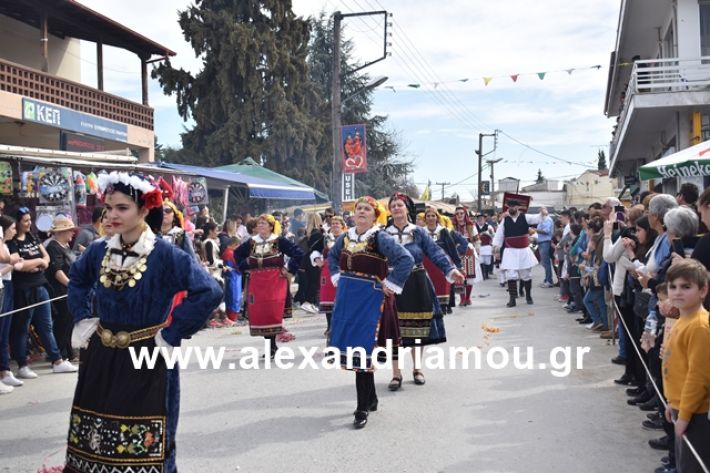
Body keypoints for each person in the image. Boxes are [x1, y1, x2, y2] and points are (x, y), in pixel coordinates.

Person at [65, 171, 222, 473]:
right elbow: (78, 279)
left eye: (122, 208)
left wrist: (172, 333)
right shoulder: (100, 250)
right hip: (101, 355)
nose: (112, 215)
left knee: (147, 439)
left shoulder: (165, 254)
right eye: (109, 207)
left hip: (147, 355)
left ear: (144, 210)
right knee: (96, 432)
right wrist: (83, 318)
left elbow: (209, 291)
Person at [327, 196, 414, 429]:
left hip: (369, 301)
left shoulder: (380, 238)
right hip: (347, 300)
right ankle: (371, 398)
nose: (362, 212)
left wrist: (392, 283)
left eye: (367, 209)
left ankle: (361, 407)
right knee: (358, 352)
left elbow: (406, 259)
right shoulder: (345, 237)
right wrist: (335, 275)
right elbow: (333, 257)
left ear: (376, 216)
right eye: (359, 209)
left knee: (362, 352)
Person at [386, 193, 464, 389]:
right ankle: (396, 374)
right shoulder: (383, 234)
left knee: (417, 328)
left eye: (400, 205)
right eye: (393, 205)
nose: (396, 208)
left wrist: (451, 270)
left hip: (417, 282)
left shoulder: (419, 232)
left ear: (407, 209)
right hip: (393, 284)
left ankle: (417, 369)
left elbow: (435, 252)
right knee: (393, 330)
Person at [8, 207, 77, 378]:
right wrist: (37, 261)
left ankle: (57, 360)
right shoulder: (13, 242)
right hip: (24, 289)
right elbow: (20, 266)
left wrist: (36, 261)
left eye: (30, 219)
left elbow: (46, 259)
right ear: (17, 223)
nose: (29, 223)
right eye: (25, 220)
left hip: (41, 286)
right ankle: (22, 364)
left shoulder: (33, 236)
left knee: (46, 326)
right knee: (23, 327)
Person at [662, 259, 710, 473]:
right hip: (680, 406)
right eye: (673, 287)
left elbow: (698, 377)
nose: (677, 292)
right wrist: (672, 402)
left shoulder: (700, 326)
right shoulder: (682, 319)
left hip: (696, 413)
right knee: (684, 465)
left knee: (693, 467)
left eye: (686, 286)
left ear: (703, 290)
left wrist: (684, 415)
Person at [234, 214, 303, 358]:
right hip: (257, 282)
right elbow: (237, 254)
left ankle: (272, 346)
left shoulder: (279, 241)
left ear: (271, 226)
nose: (260, 226)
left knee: (272, 312)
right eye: (259, 224)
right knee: (262, 313)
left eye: (263, 224)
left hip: (275, 281)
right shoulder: (252, 242)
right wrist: (245, 265)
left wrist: (288, 268)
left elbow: (298, 253)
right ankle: (270, 346)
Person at [493, 199, 548, 307]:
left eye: (514, 206)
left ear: (518, 207)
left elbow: (538, 218)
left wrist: (543, 212)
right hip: (510, 251)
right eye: (510, 206)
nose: (512, 208)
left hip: (523, 251)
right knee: (511, 275)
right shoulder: (505, 220)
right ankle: (512, 299)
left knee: (526, 275)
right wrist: (496, 249)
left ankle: (528, 295)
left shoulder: (525, 217)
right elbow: (499, 235)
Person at [45, 215, 77, 361]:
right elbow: (57, 271)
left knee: (69, 323)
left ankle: (69, 351)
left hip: (69, 291)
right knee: (62, 322)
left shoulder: (66, 247)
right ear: (61, 232)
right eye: (69, 230)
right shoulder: (53, 247)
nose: (72, 233)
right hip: (60, 291)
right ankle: (61, 352)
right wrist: (71, 284)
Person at [423, 207, 464, 314]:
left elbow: (452, 249)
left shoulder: (443, 231)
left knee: (445, 284)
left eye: (433, 216)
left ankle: (445, 306)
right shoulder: (421, 232)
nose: (431, 218)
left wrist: (458, 265)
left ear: (437, 217)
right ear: (425, 219)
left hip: (442, 263)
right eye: (428, 216)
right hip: (427, 264)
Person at [311, 216, 346, 336]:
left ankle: (341, 326)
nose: (335, 225)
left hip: (343, 270)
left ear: (342, 225)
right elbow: (314, 249)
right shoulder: (326, 238)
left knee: (342, 298)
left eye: (337, 223)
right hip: (327, 271)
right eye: (333, 223)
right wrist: (317, 259)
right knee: (328, 299)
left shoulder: (348, 237)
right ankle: (330, 326)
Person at [0, 215, 21, 392]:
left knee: (4, 332)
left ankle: (5, 370)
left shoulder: (5, 245)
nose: (14, 231)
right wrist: (12, 263)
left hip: (7, 286)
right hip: (3, 286)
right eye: (12, 228)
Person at [452, 205, 478, 306]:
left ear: (465, 214)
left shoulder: (471, 225)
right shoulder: (451, 226)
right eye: (457, 213)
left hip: (469, 251)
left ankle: (468, 298)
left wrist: (477, 249)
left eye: (461, 213)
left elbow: (476, 239)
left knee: (469, 275)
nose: (459, 215)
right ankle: (462, 299)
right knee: (459, 275)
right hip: (456, 252)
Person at [299, 213, 324, 314]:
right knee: (315, 282)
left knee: (310, 282)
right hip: (314, 260)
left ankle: (309, 303)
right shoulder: (318, 233)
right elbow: (319, 247)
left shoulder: (308, 233)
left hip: (306, 260)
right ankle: (307, 302)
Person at [221, 237, 242, 323]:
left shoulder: (226, 252)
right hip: (234, 277)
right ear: (234, 245)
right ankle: (232, 318)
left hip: (231, 277)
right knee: (234, 298)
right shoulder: (231, 253)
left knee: (231, 298)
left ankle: (231, 317)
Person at [535, 208, 555, 287]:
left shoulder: (547, 220)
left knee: (546, 263)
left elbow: (546, 231)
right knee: (544, 262)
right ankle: (547, 279)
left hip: (545, 242)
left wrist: (535, 230)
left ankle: (549, 281)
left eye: (540, 211)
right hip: (541, 242)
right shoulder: (542, 220)